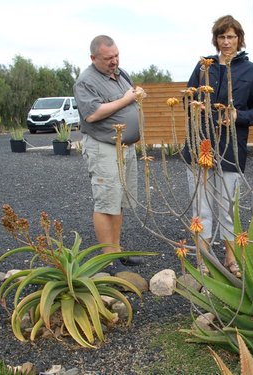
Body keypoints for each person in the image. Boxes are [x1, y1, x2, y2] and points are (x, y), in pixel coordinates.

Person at [182, 15, 253, 276]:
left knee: (229, 209)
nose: (226, 42)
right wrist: (197, 107)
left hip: (232, 149)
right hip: (200, 146)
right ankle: (204, 262)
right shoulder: (203, 67)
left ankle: (232, 260)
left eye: (231, 37)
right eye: (222, 37)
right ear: (216, 39)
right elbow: (188, 100)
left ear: (239, 39)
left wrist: (237, 116)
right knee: (201, 208)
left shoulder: (250, 70)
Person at [73, 35, 146, 267]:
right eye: (108, 58)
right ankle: (107, 260)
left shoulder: (121, 73)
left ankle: (116, 251)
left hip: (125, 147)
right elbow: (92, 114)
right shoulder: (85, 81)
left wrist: (137, 96)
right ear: (93, 58)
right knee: (105, 203)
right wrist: (126, 100)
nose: (114, 61)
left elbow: (129, 98)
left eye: (116, 55)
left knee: (119, 200)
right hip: (103, 148)